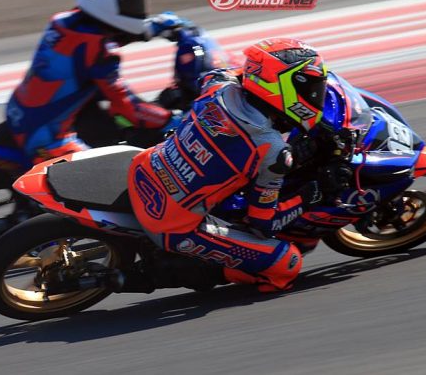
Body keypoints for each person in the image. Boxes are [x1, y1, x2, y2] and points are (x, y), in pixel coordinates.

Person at [128, 38, 353, 292]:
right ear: (284, 86)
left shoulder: (217, 85)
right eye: (311, 86)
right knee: (286, 264)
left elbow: (222, 74)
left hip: (145, 168)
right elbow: (264, 224)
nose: (316, 93)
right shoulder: (272, 150)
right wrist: (308, 197)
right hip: (172, 224)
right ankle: (171, 273)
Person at [6, 0, 184, 162]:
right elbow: (128, 107)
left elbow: (97, 37)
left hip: (20, 110)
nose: (137, 9)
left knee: (111, 127)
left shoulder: (63, 21)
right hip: (44, 137)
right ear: (102, 1)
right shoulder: (100, 50)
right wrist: (171, 120)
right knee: (110, 174)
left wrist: (152, 28)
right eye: (129, 3)